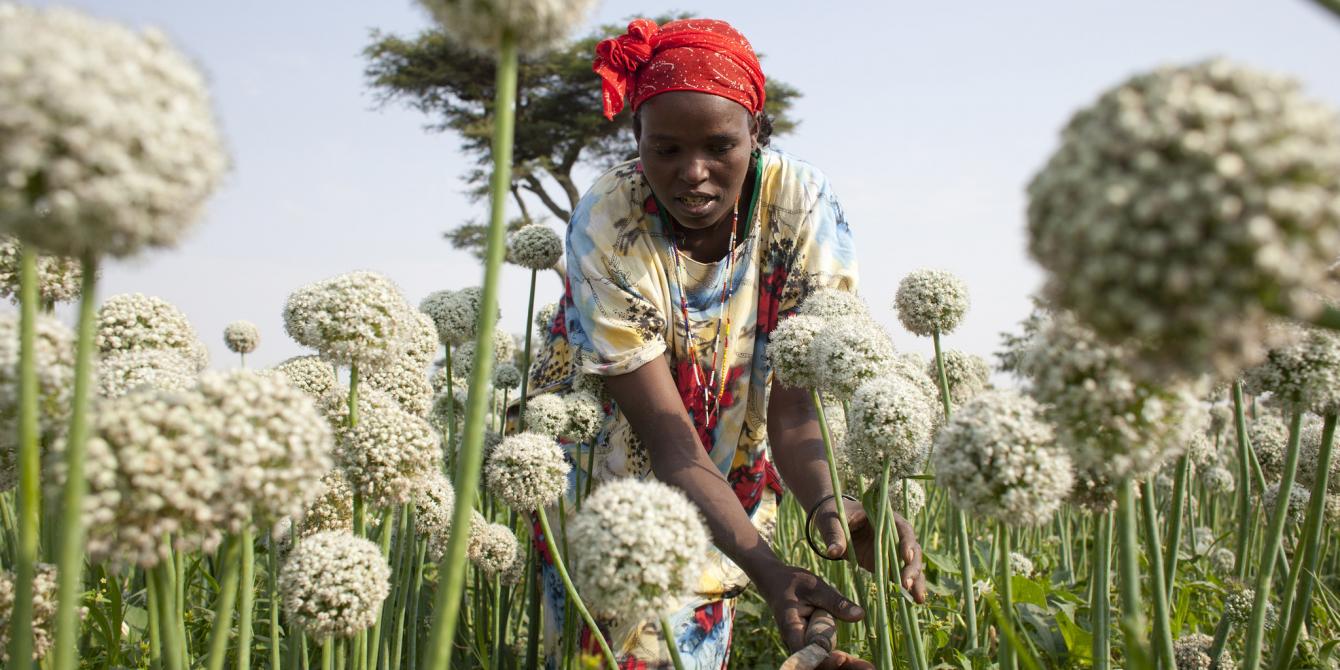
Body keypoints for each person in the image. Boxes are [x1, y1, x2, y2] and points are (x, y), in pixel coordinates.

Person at [527, 17, 927, 669]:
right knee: (609, 646)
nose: (694, 174)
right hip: (611, 444)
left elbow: (793, 410)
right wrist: (771, 570)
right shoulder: (607, 220)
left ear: (756, 134)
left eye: (719, 146)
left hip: (731, 438)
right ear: (637, 141)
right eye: (666, 151)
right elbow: (668, 442)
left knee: (695, 639)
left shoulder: (802, 205)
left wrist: (833, 508)